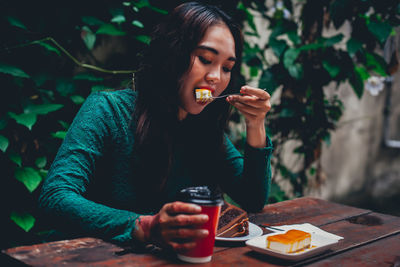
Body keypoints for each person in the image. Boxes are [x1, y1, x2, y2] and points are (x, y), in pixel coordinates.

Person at [38, 1, 273, 253]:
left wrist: (256, 123)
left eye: (227, 68)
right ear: (172, 53)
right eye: (205, 59)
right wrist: (146, 226)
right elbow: (56, 196)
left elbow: (253, 198)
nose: (216, 77)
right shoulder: (108, 110)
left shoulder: (203, 129)